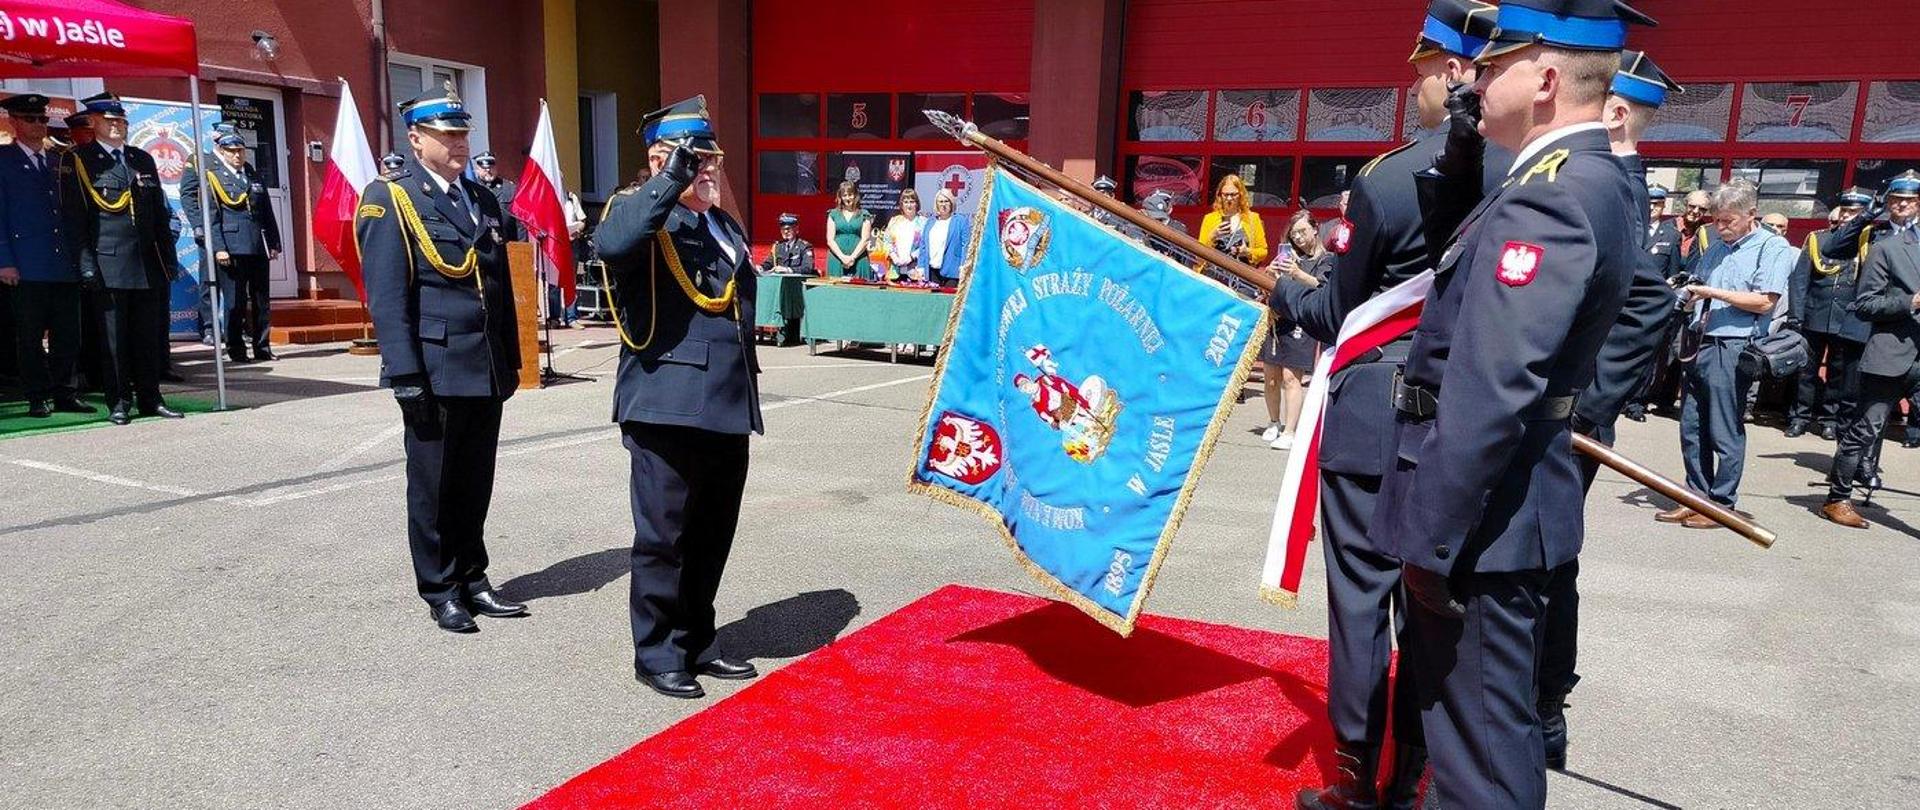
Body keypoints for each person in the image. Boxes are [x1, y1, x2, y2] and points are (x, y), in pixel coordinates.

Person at [1373, 1, 1649, 805]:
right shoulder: (1579, 177)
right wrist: (1464, 143)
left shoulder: (1553, 196)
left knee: (1481, 758)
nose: (1475, 80)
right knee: (1481, 737)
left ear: (1547, 79)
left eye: (1495, 68)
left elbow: (1493, 387)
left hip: (1485, 521)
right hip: (1511, 501)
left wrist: (1431, 539)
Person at [1275, 4, 1497, 807]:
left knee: (1363, 602)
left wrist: (1285, 297)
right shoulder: (1517, 173)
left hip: (1375, 413)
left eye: (1423, 72)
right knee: (1430, 610)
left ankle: (1355, 779)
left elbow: (1339, 313)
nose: (1417, 89)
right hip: (1468, 415)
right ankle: (1415, 776)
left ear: (1454, 72)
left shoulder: (1390, 178)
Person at [1540, 46, 1682, 773]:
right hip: (1565, 408)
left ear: (1617, 111)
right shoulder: (1616, 179)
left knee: (1546, 559)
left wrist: (1585, 409)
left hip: (1565, 416)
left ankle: (1542, 709)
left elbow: (1650, 300)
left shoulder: (1615, 183)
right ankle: (1542, 706)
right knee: (1547, 555)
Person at [593, 95, 762, 700]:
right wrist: (671, 178)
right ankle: (657, 651)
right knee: (664, 536)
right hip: (666, 403)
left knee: (713, 532)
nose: (708, 169)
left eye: (712, 157)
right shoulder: (641, 213)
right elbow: (611, 245)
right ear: (661, 159)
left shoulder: (723, 225)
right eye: (695, 158)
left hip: (725, 403)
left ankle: (697, 636)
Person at [355, 85, 525, 634]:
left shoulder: (478, 198)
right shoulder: (391, 198)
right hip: (433, 366)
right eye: (447, 134)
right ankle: (440, 587)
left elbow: (496, 288)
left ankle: (474, 577)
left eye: (463, 133)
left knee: (475, 480)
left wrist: (511, 358)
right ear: (416, 138)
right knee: (434, 485)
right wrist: (405, 374)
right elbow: (387, 296)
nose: (459, 143)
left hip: (483, 366)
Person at [1656, 179, 1795, 529]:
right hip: (1699, 341)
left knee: (1723, 428)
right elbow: (1698, 287)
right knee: (1691, 425)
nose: (1720, 227)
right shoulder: (1717, 246)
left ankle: (1721, 504)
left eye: (1728, 220)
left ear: (1751, 215)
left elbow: (1766, 301)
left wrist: (1711, 291)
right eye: (1717, 219)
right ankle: (1694, 496)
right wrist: (1686, 292)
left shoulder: (1771, 247)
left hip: (1734, 346)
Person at [61, 93, 185, 426]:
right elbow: (76, 219)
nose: (118, 126)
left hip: (146, 264)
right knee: (114, 342)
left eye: (122, 121)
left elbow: (158, 214)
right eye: (111, 121)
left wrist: (167, 260)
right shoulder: (80, 159)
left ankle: (151, 398)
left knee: (147, 339)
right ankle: (119, 401)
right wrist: (86, 263)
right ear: (95, 123)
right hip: (109, 262)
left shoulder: (141, 159)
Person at [1819, 171, 1920, 528]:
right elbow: (1832, 250)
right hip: (1878, 342)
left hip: (1915, 349)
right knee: (1861, 419)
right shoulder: (1876, 235)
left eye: (1909, 200)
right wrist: (1867, 213)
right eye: (1895, 199)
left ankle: (1862, 475)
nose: (1902, 206)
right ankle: (1843, 489)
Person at [1, 94, 91, 418]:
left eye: (42, 119)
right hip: (26, 264)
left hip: (63, 261)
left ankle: (66, 392)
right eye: (30, 119)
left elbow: (74, 212)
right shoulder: (3, 159)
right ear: (13, 122)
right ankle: (37, 395)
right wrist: (4, 260)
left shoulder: (60, 160)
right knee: (30, 336)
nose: (39, 125)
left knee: (68, 334)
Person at [180, 126, 283, 364]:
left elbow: (265, 210)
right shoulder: (212, 176)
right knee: (235, 302)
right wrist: (219, 247)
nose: (237, 155)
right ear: (221, 151)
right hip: (232, 246)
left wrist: (274, 241)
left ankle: (262, 347)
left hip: (257, 245)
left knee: (261, 301)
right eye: (232, 151)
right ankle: (236, 348)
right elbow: (212, 216)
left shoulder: (251, 172)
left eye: (240, 151)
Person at [1785, 187, 1875, 439]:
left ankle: (1829, 420)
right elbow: (1800, 281)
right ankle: (1799, 417)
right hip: (1814, 315)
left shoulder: (1868, 242)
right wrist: (1796, 315)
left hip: (1846, 319)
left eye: (1854, 212)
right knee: (1805, 371)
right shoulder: (1818, 239)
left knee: (1838, 374)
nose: (1848, 217)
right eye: (1845, 211)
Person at [1260, 210, 1332, 452]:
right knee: (1270, 378)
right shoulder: (1289, 256)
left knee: (1292, 378)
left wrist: (1297, 274)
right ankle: (1274, 422)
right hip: (1277, 319)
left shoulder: (1327, 259)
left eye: (1302, 231)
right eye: (1294, 234)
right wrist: (1271, 274)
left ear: (1315, 228)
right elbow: (1271, 283)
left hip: (1302, 321)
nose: (1299, 238)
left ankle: (1291, 431)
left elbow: (1323, 286)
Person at [825, 181, 872, 280]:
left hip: (859, 259)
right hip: (837, 259)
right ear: (840, 197)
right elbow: (830, 240)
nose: (847, 198)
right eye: (844, 195)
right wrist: (842, 257)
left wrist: (852, 258)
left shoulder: (864, 214)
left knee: (860, 290)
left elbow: (865, 240)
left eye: (850, 195)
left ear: (855, 195)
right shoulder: (833, 214)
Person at [471, 151, 523, 242]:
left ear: (496, 167)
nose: (488, 171)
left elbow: (520, 222)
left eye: (491, 167)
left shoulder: (510, 188)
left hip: (509, 243)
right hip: (483, 245)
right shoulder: (471, 189)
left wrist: (522, 246)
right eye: (484, 168)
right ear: (477, 169)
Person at [925, 189, 971, 286]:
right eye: (941, 201)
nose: (943, 204)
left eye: (946, 201)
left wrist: (964, 265)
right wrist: (921, 266)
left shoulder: (961, 221)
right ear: (936, 204)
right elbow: (923, 245)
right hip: (932, 270)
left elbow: (966, 245)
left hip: (953, 271)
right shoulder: (930, 222)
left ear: (951, 203)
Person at [886, 189, 929, 283]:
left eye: (912, 202)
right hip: (895, 270)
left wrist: (911, 257)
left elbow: (926, 245)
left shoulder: (924, 222)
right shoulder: (894, 221)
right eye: (905, 202)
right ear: (901, 205)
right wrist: (894, 257)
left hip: (914, 271)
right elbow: (887, 241)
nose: (909, 205)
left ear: (916, 204)